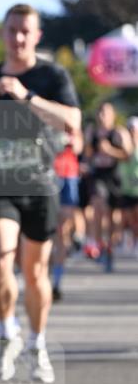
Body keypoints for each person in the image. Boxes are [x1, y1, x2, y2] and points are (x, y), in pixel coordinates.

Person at [0, 3, 81, 383]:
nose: (17, 37)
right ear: (2, 33)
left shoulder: (52, 75)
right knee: (0, 258)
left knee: (35, 274)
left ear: (36, 36)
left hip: (38, 183)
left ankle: (37, 341)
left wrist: (26, 95)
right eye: (11, 29)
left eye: (25, 31)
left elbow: (72, 121)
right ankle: (6, 334)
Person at [83, 101, 131, 269]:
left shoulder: (118, 133)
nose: (102, 116)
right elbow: (87, 155)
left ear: (113, 115)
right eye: (100, 113)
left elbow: (127, 155)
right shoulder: (92, 132)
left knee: (112, 216)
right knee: (97, 205)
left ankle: (109, 248)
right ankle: (97, 244)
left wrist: (110, 150)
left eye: (105, 113)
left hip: (114, 176)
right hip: (98, 175)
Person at [51, 128, 84, 301]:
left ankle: (56, 281)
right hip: (47, 176)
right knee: (46, 233)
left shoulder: (71, 122)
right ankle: (44, 277)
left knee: (61, 230)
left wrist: (68, 139)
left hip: (68, 176)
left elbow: (78, 147)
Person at [119, 116, 138, 250]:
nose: (132, 132)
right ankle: (132, 240)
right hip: (126, 188)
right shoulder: (124, 147)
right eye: (130, 129)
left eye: (134, 129)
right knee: (130, 219)